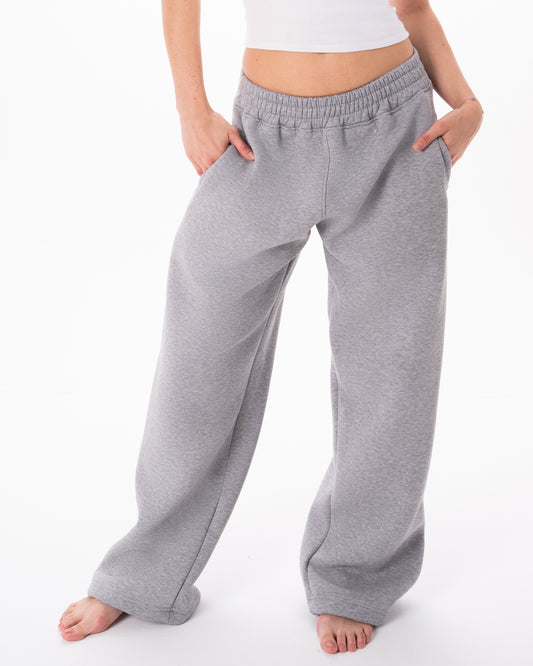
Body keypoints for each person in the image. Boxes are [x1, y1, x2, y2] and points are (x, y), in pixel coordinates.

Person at [58, 0, 483, 653]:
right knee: (197, 360)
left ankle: (355, 576)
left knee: (391, 371)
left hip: (397, 134)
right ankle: (144, 574)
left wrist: (467, 103)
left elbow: (413, 8)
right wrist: (191, 110)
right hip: (263, 137)